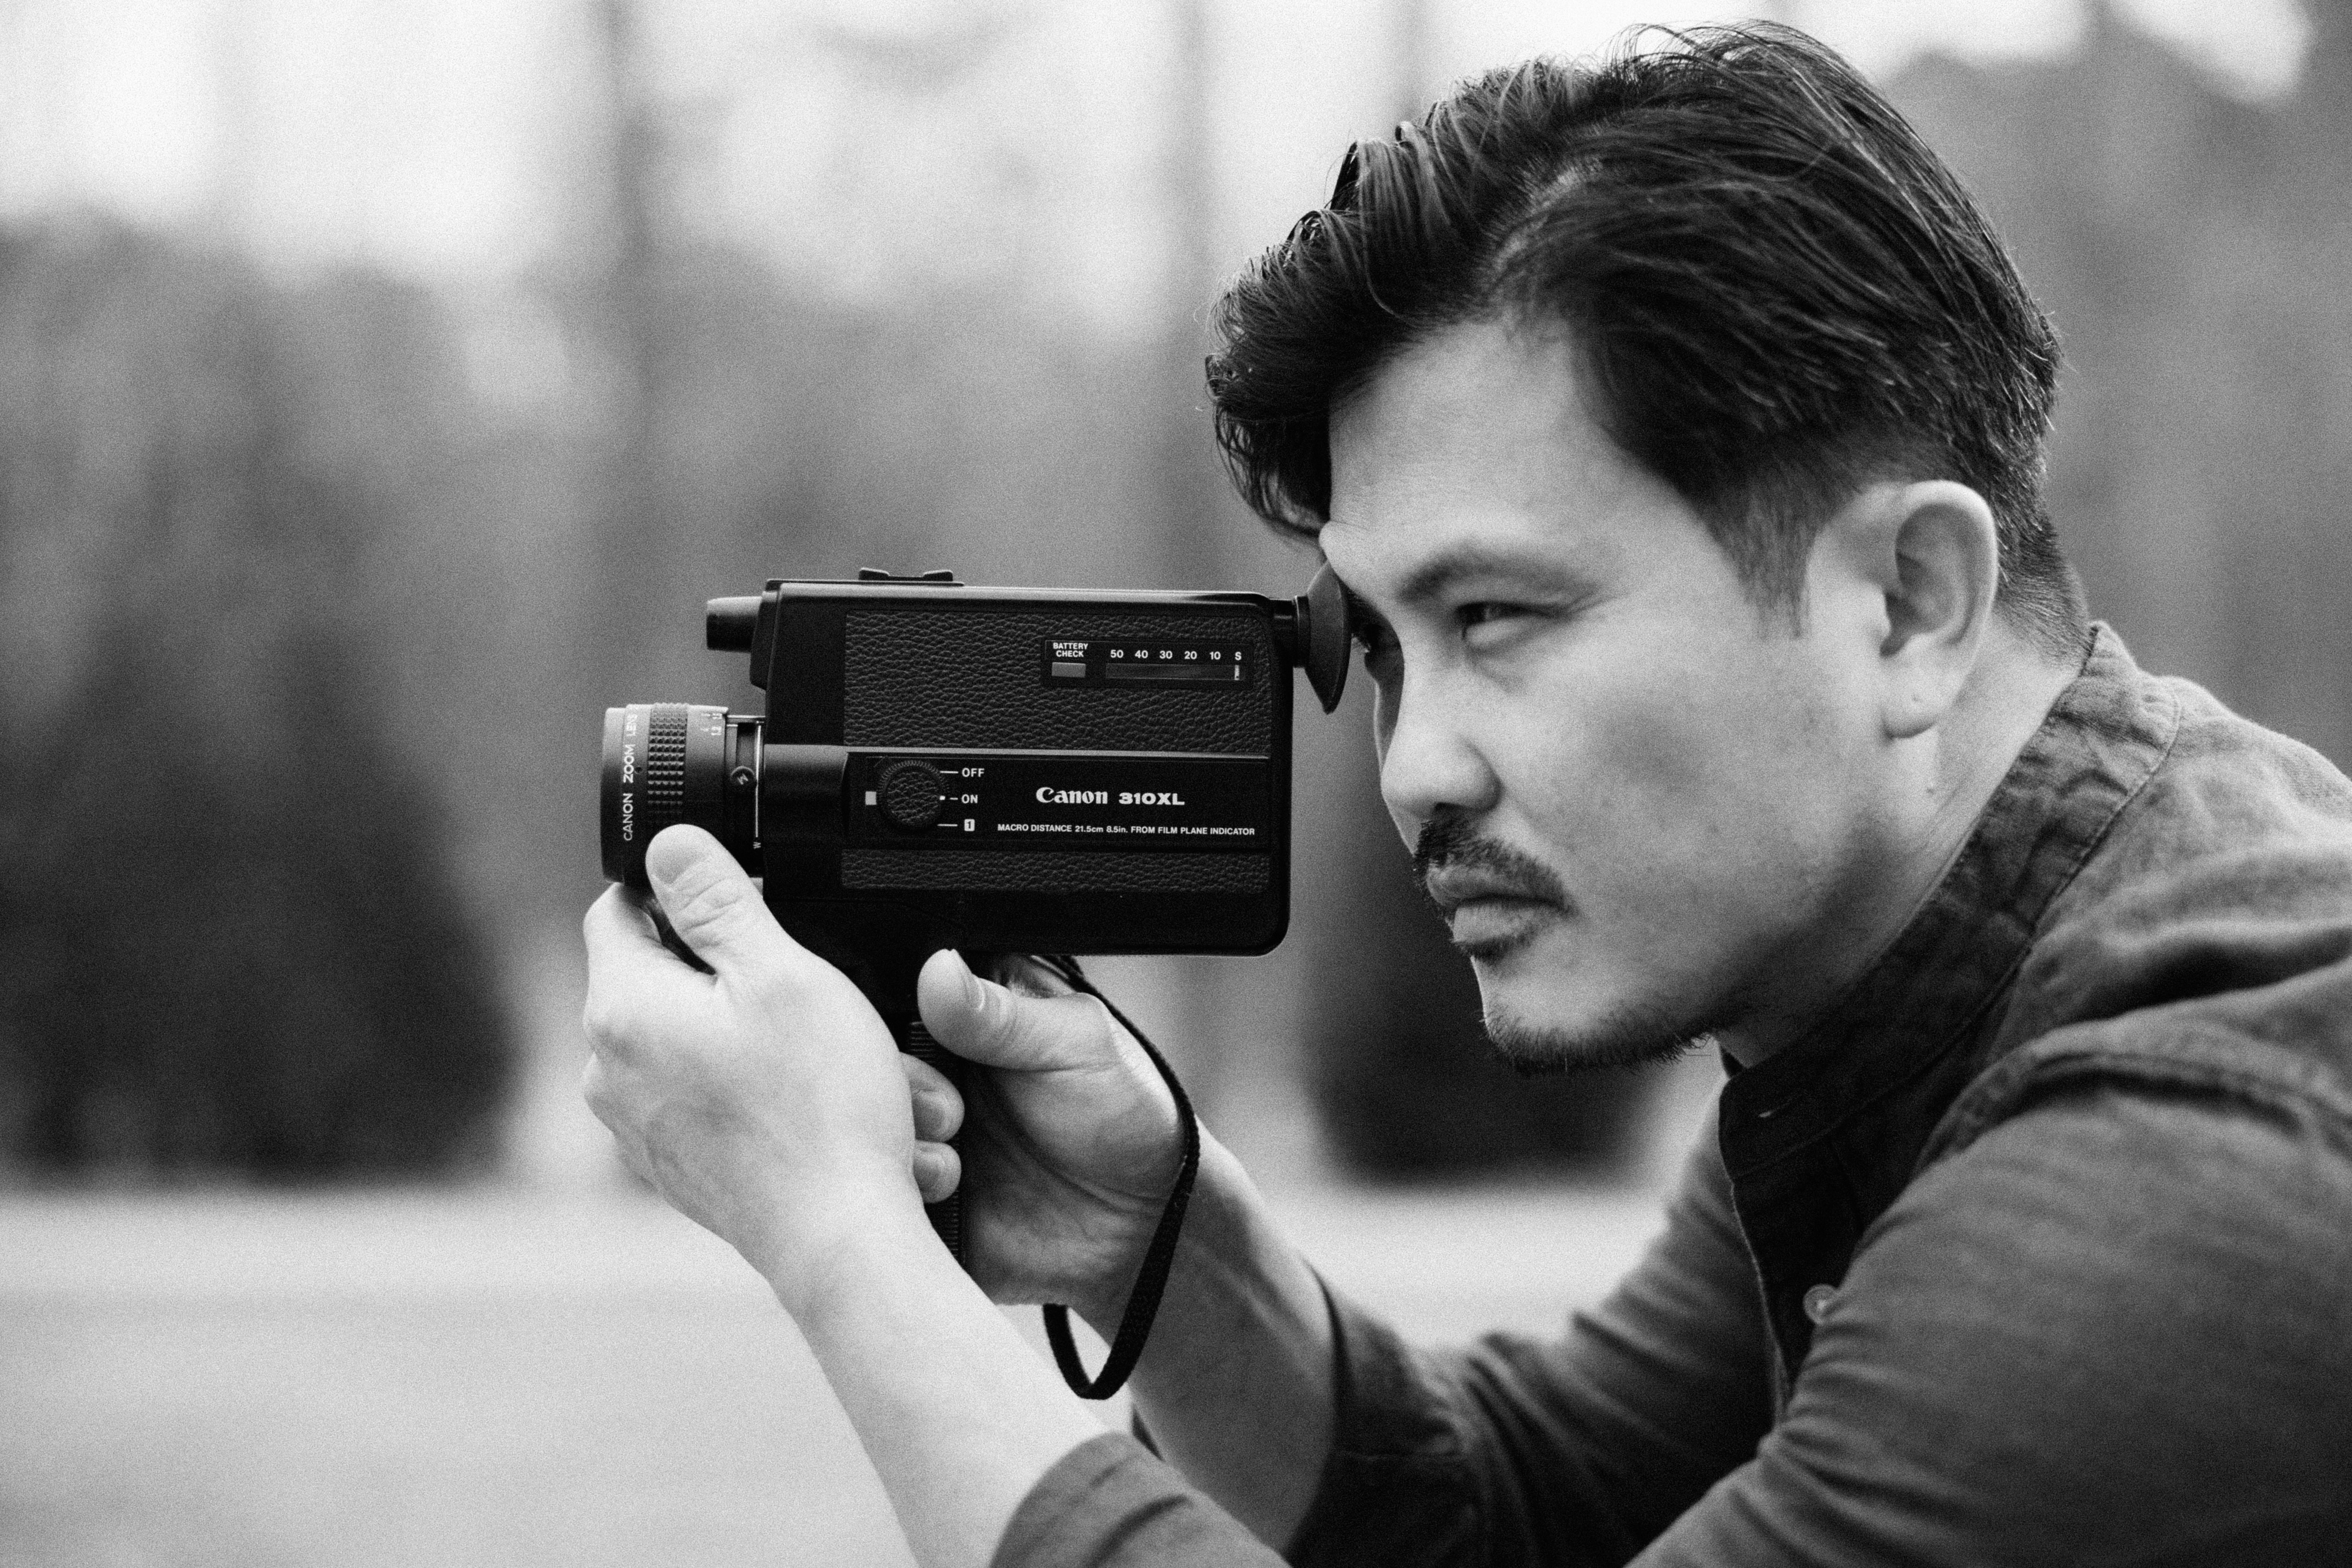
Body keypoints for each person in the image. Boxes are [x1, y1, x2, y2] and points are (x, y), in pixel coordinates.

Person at [579, 24, 2352, 1567]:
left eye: (1499, 617)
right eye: (1384, 647)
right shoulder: (1873, 999)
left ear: (1907, 606)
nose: (1417, 768)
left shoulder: (2191, 1161)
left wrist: (846, 1239)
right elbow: (1529, 1515)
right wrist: (1162, 1245)